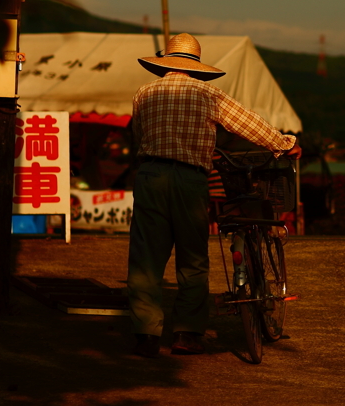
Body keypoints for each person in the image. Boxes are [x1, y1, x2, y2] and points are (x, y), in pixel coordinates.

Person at [127, 33, 300, 358]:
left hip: (150, 174)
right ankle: (186, 334)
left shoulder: (144, 93)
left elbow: (139, 134)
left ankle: (145, 335)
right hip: (189, 178)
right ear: (196, 66)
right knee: (192, 258)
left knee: (146, 258)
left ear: (165, 63)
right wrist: (284, 143)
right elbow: (248, 124)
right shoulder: (208, 94)